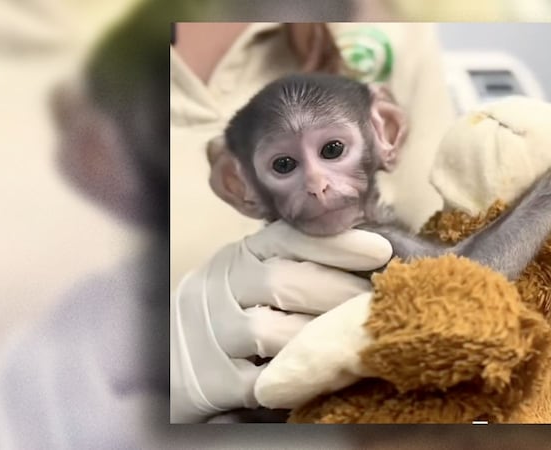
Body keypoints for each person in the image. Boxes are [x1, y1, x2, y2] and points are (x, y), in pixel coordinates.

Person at [169, 21, 456, 423]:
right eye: (284, 165)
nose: (318, 184)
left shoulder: (388, 29)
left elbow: (473, 285)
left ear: (385, 132)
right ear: (239, 187)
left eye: (333, 149)